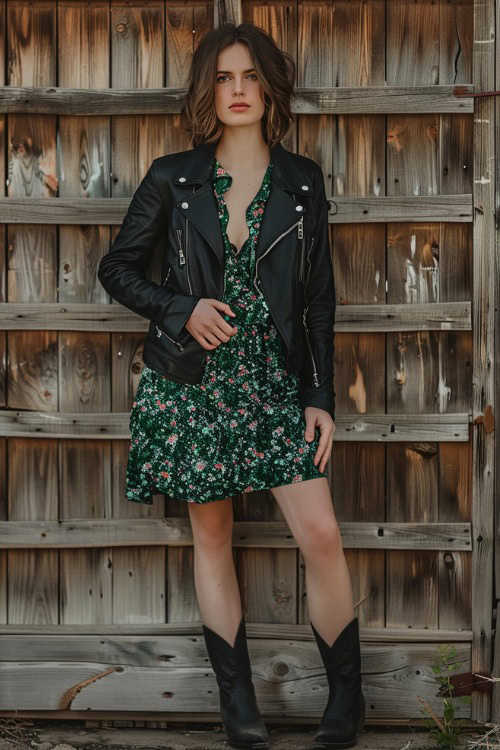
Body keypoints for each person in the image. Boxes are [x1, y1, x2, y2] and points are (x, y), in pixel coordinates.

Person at [97, 22, 365, 750]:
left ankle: (347, 699)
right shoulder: (173, 178)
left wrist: (320, 395)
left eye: (249, 76)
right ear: (206, 91)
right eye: (223, 78)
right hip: (191, 386)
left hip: (274, 386)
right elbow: (116, 270)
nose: (238, 91)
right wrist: (180, 307)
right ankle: (237, 703)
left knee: (322, 535)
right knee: (212, 538)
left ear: (269, 85)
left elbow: (316, 301)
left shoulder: (301, 181)